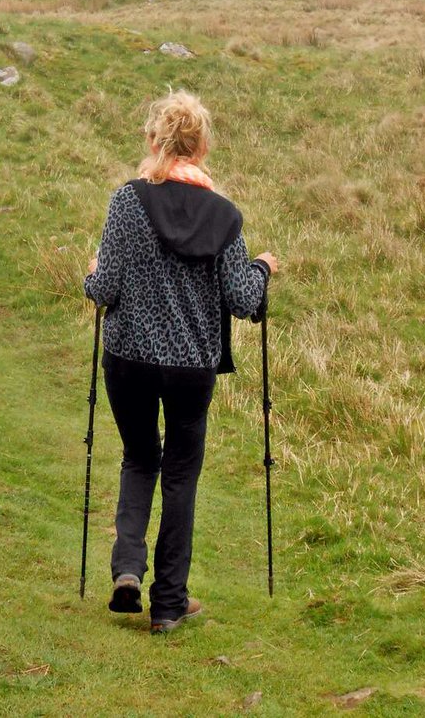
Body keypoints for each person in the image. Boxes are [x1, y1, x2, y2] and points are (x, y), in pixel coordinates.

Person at [83, 89, 276, 634]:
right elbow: (244, 301)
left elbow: (105, 289)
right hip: (192, 367)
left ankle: (126, 571)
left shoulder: (127, 202)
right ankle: (169, 604)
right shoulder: (224, 216)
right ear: (203, 146)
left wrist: (91, 271)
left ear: (153, 142)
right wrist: (262, 268)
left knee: (139, 458)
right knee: (181, 476)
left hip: (129, 359)